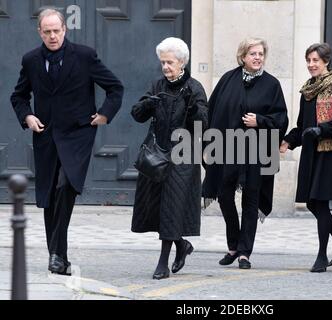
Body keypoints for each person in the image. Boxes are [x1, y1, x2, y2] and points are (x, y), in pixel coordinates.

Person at [10, 9, 123, 275]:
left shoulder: (84, 56)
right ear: (40, 32)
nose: (52, 36)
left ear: (65, 30)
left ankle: (56, 254)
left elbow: (115, 88)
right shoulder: (31, 60)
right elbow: (19, 96)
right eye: (47, 31)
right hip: (46, 137)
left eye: (56, 30)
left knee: (64, 186)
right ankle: (59, 258)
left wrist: (105, 114)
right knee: (50, 195)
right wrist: (27, 116)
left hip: (78, 135)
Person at [202, 38, 288, 270]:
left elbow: (281, 118)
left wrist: (259, 121)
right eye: (253, 54)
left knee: (251, 200)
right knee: (224, 196)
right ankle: (233, 244)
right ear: (243, 56)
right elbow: (213, 111)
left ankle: (244, 252)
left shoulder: (272, 85)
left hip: (257, 152)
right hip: (228, 148)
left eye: (261, 54)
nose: (258, 58)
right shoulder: (228, 80)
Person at [131, 37, 208, 280]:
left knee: (172, 208)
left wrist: (193, 109)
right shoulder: (157, 85)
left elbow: (203, 126)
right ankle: (181, 245)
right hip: (157, 155)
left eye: (170, 62)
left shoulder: (194, 88)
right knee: (158, 208)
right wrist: (146, 105)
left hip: (183, 155)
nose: (165, 67)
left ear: (182, 62)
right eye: (163, 62)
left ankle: (162, 262)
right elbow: (137, 115)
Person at [280, 43, 332, 272]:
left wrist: (322, 130)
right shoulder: (307, 91)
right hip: (312, 152)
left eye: (315, 60)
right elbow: (303, 125)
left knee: (320, 201)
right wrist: (288, 141)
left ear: (326, 61)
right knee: (313, 203)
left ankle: (322, 255)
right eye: (309, 60)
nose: (311, 65)